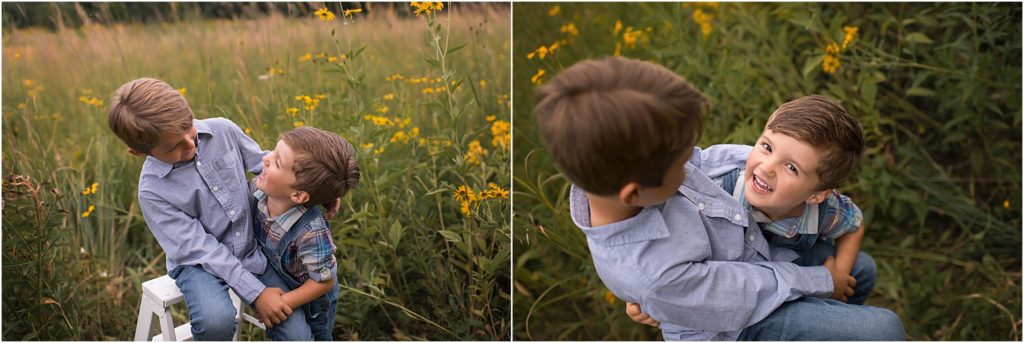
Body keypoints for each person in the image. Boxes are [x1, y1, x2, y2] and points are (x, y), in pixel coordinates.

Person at [534, 56, 904, 340]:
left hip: (748, 257)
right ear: (635, 193)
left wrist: (775, 161)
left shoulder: (622, 175)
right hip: (733, 324)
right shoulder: (656, 278)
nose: (693, 164)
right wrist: (821, 282)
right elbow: (743, 292)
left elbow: (711, 164)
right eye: (682, 163)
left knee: (861, 270)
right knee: (885, 330)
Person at [109, 78, 288, 340]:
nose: (191, 145)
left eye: (188, 128)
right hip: (197, 262)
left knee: (295, 326)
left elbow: (266, 166)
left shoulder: (223, 130)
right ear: (138, 152)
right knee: (216, 321)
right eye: (173, 147)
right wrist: (256, 293)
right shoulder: (152, 191)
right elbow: (200, 248)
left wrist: (315, 190)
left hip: (250, 245)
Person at [249, 126, 360, 340]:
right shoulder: (259, 190)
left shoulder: (311, 232)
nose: (265, 158)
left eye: (277, 162)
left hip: (313, 304)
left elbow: (323, 281)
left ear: (299, 195)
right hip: (276, 277)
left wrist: (283, 303)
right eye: (273, 150)